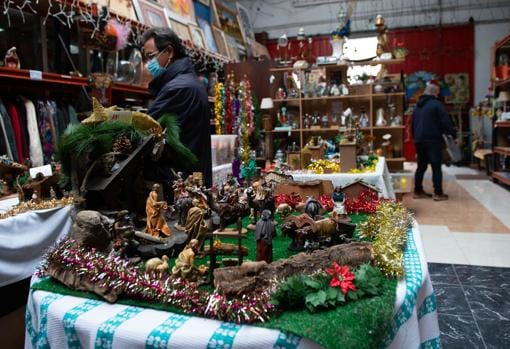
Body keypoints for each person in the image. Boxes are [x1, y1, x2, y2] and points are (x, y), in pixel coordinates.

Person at [142, 27, 212, 188]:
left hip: (180, 183)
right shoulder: (189, 81)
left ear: (169, 52)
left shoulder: (178, 88)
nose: (147, 64)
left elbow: (143, 126)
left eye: (151, 57)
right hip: (190, 179)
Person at [412, 81, 456, 201]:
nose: (438, 95)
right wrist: (452, 133)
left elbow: (412, 124)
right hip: (433, 139)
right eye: (438, 92)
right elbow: (445, 122)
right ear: (435, 93)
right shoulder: (437, 104)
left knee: (421, 166)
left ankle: (418, 191)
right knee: (436, 166)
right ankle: (438, 193)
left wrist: (415, 138)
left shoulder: (417, 106)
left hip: (419, 140)